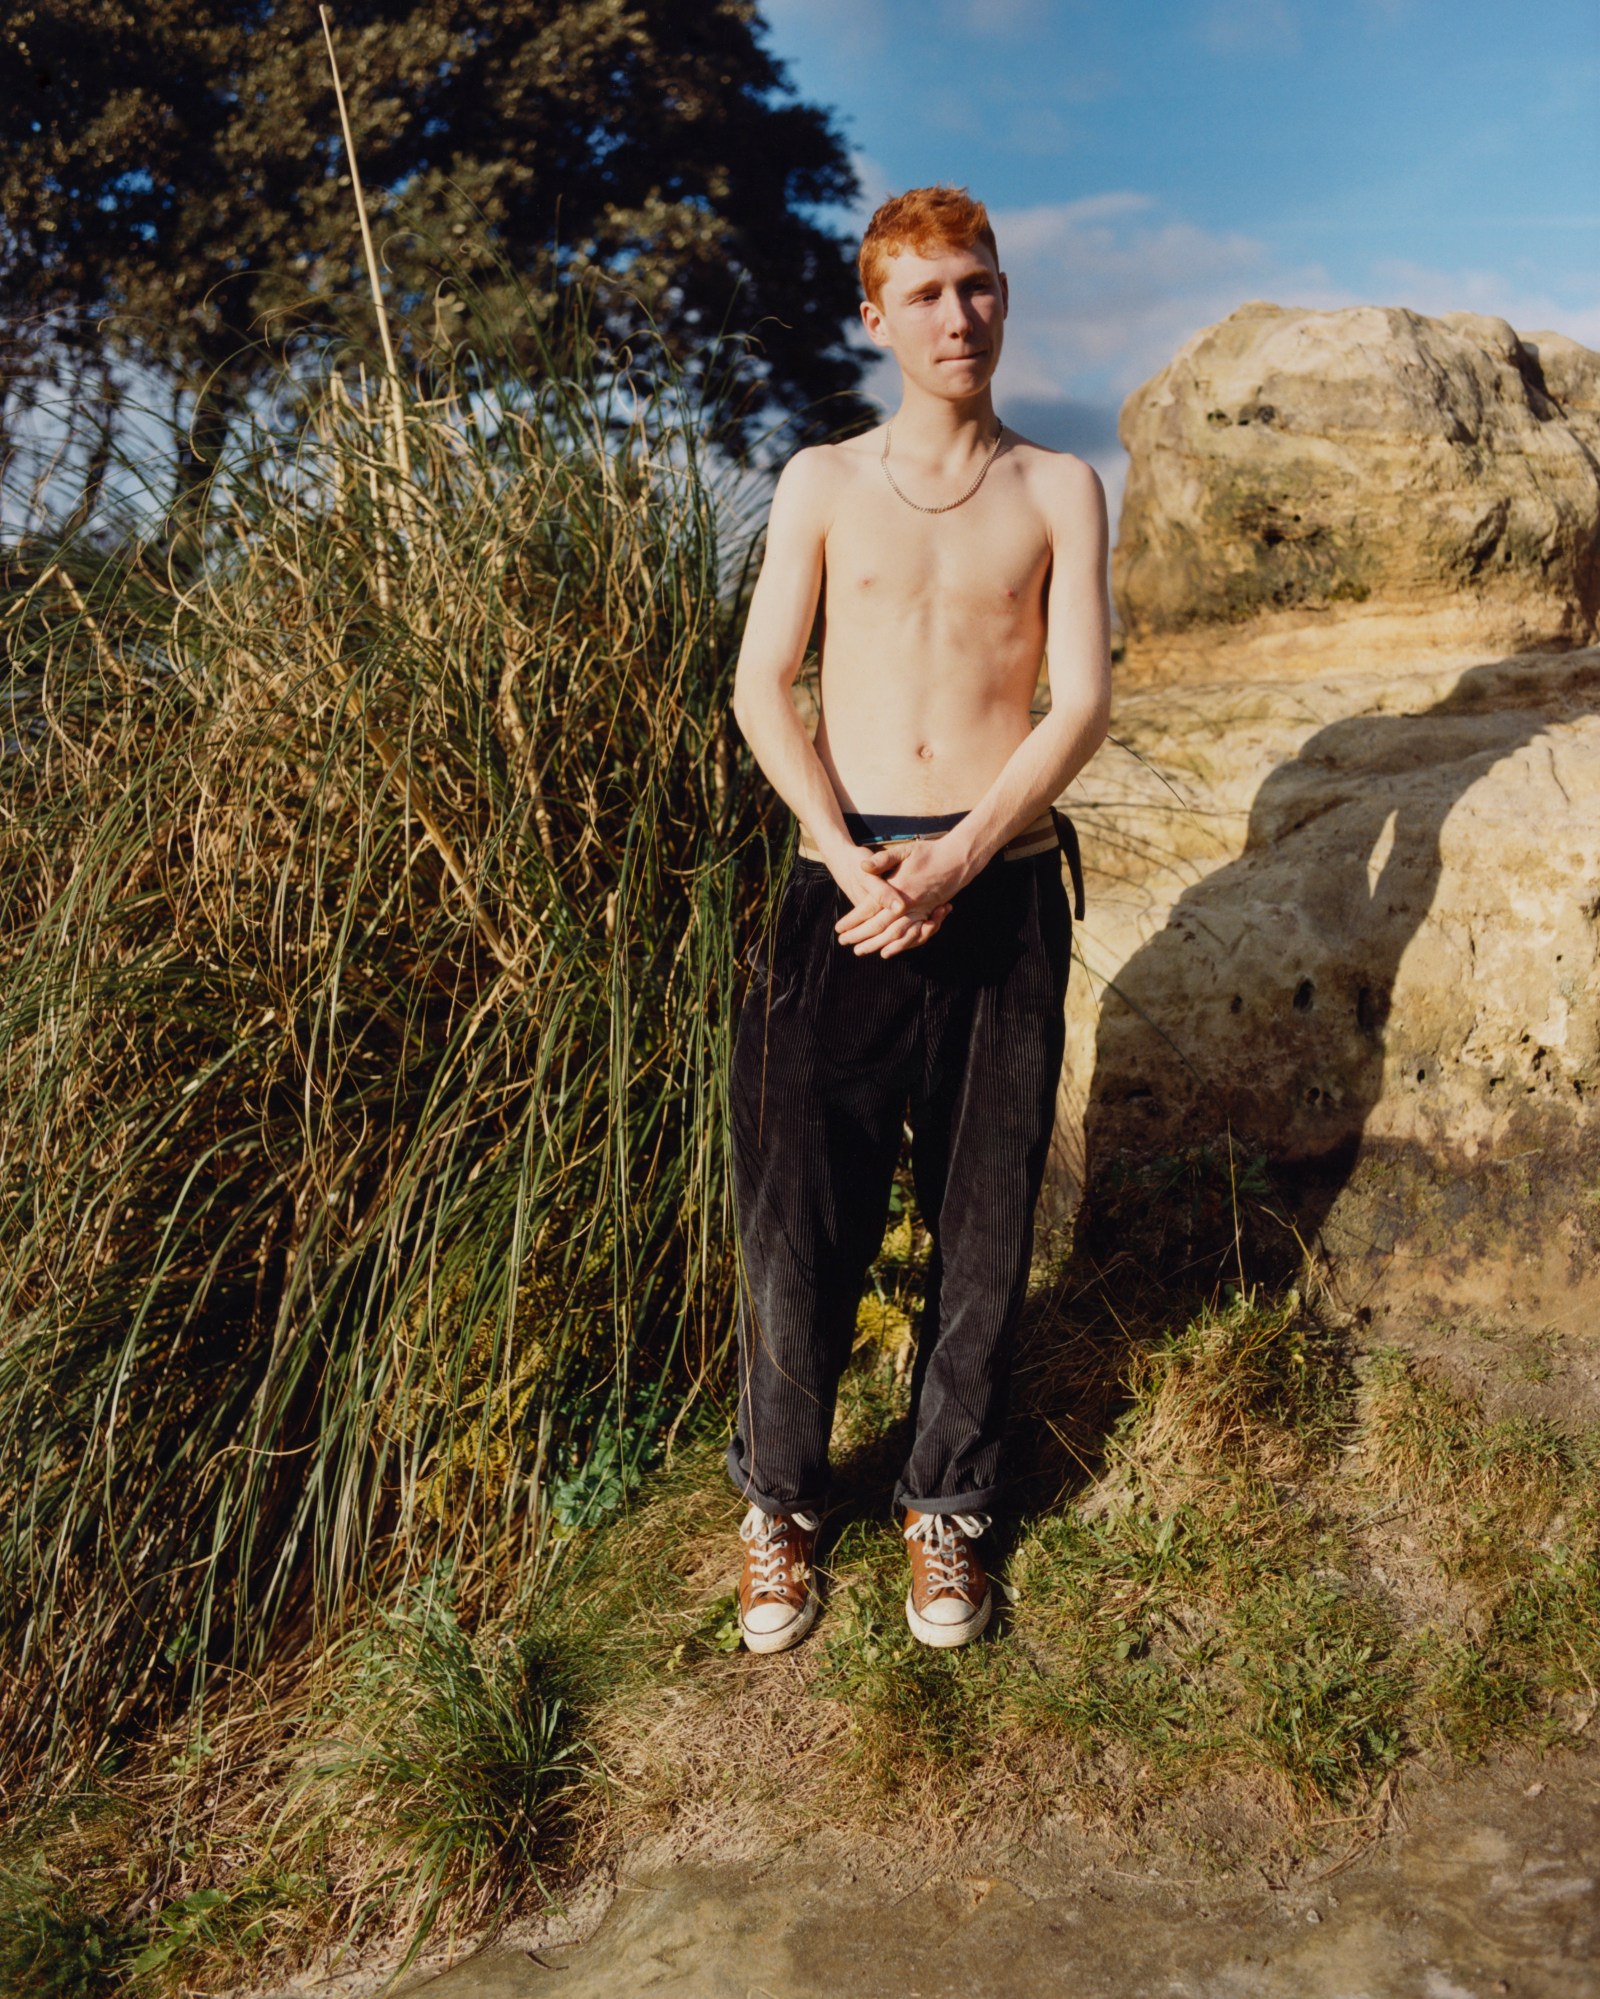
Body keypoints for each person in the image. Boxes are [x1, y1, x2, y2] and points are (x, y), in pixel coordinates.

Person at [726, 185, 1111, 1654]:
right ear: (874, 315)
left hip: (998, 886)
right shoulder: (823, 480)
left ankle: (945, 1510)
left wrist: (961, 859)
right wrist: (839, 849)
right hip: (843, 894)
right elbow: (768, 685)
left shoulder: (1060, 486)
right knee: (798, 1220)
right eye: (932, 293)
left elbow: (1081, 699)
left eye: (983, 287)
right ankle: (781, 1506)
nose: (963, 316)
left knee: (986, 1217)